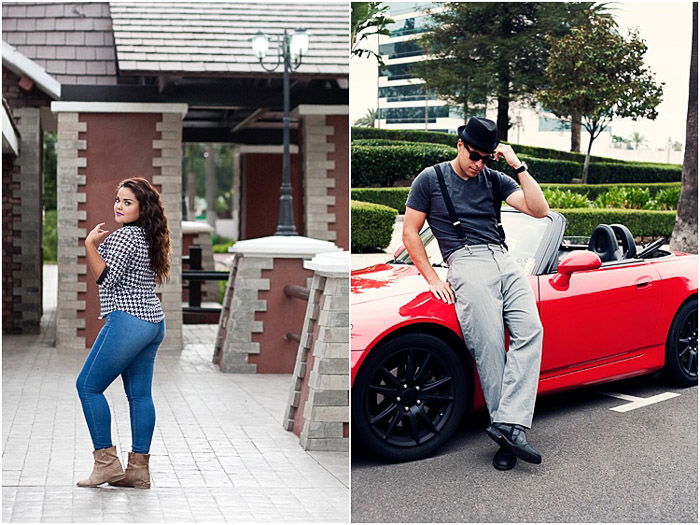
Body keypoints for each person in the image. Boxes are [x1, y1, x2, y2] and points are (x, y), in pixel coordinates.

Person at [402, 117, 550, 471]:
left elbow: (539, 210)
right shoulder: (431, 179)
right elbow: (410, 232)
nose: (478, 163)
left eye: (486, 157)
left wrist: (517, 165)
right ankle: (511, 434)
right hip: (466, 261)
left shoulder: (495, 179)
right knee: (487, 347)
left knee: (532, 331)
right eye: (474, 155)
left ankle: (505, 427)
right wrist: (432, 279)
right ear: (459, 145)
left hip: (505, 259)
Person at [75, 177, 170, 488]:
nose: (118, 206)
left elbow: (106, 278)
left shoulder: (124, 237)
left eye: (127, 202)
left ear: (142, 207)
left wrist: (90, 244)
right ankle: (138, 470)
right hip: (153, 322)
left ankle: (106, 463)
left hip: (129, 321)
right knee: (140, 395)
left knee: (88, 386)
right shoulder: (146, 235)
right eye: (118, 200)